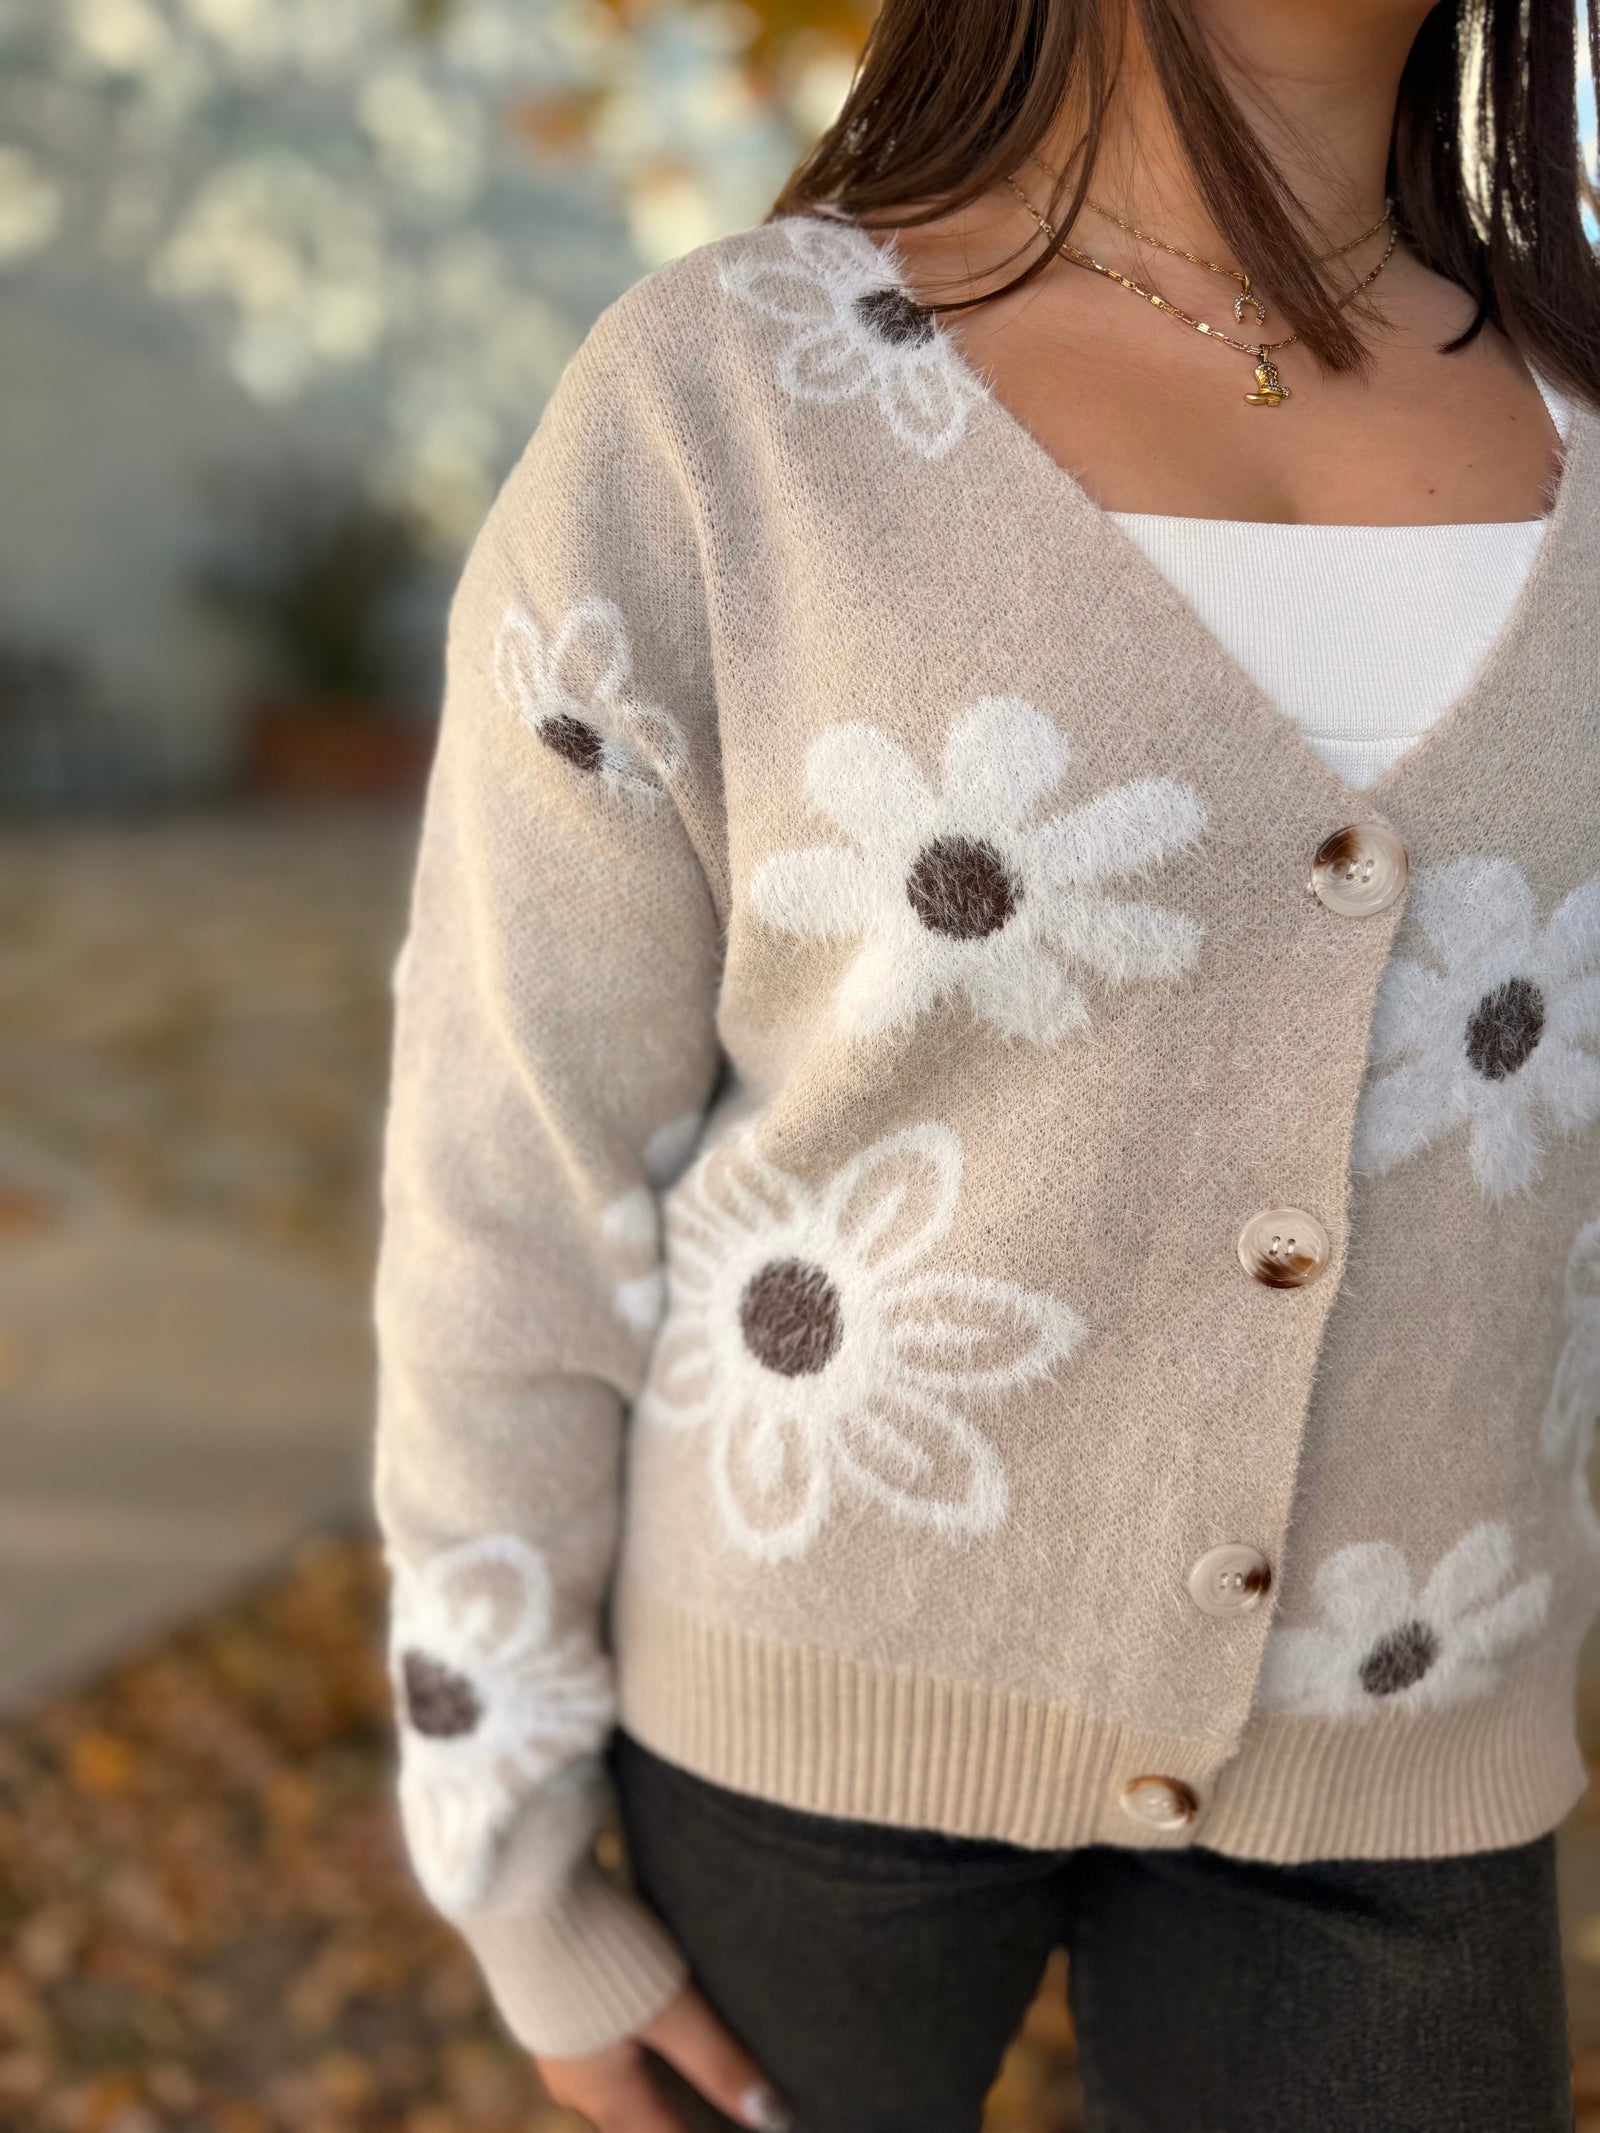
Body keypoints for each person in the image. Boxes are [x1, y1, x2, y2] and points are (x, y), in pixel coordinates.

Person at [372, 0, 1600, 2126]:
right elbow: (512, 1160)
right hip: (796, 1743)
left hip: (1413, 1741)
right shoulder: (720, 410)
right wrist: (508, 1854)